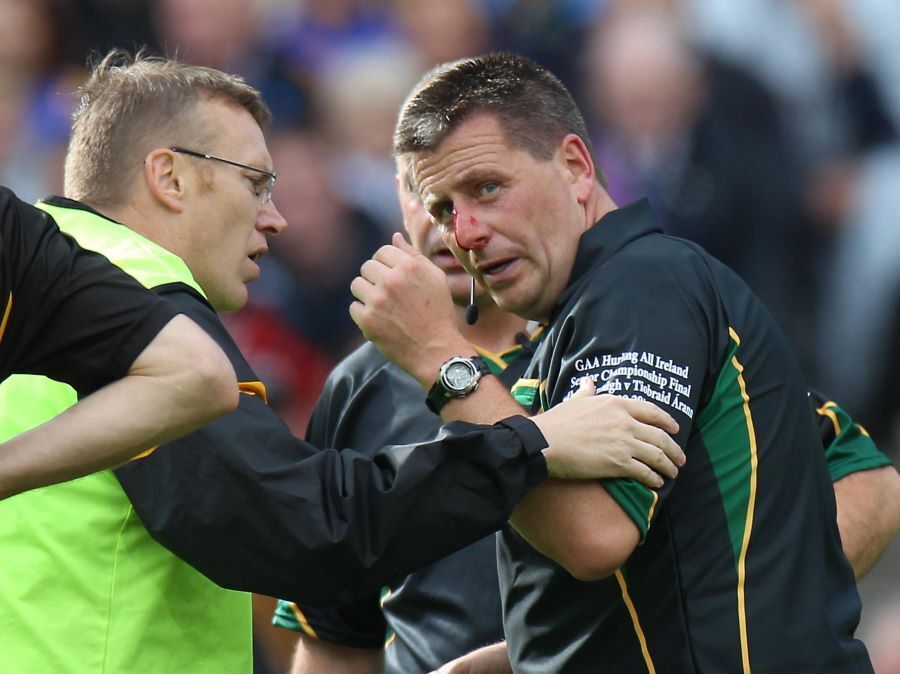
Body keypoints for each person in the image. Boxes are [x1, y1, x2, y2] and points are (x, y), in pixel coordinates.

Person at [0, 50, 686, 674]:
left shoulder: (26, 292)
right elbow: (303, 531)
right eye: (257, 184)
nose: (276, 218)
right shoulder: (138, 314)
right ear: (169, 177)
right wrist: (529, 444)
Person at [351, 52, 897, 672]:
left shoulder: (641, 288)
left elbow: (595, 534)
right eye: (444, 209)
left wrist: (441, 360)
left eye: (487, 188)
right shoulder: (588, 316)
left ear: (575, 167)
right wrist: (537, 654)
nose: (465, 232)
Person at [0, 185, 238, 498]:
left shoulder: (17, 237)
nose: (276, 221)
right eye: (255, 184)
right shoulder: (19, 234)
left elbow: (201, 375)